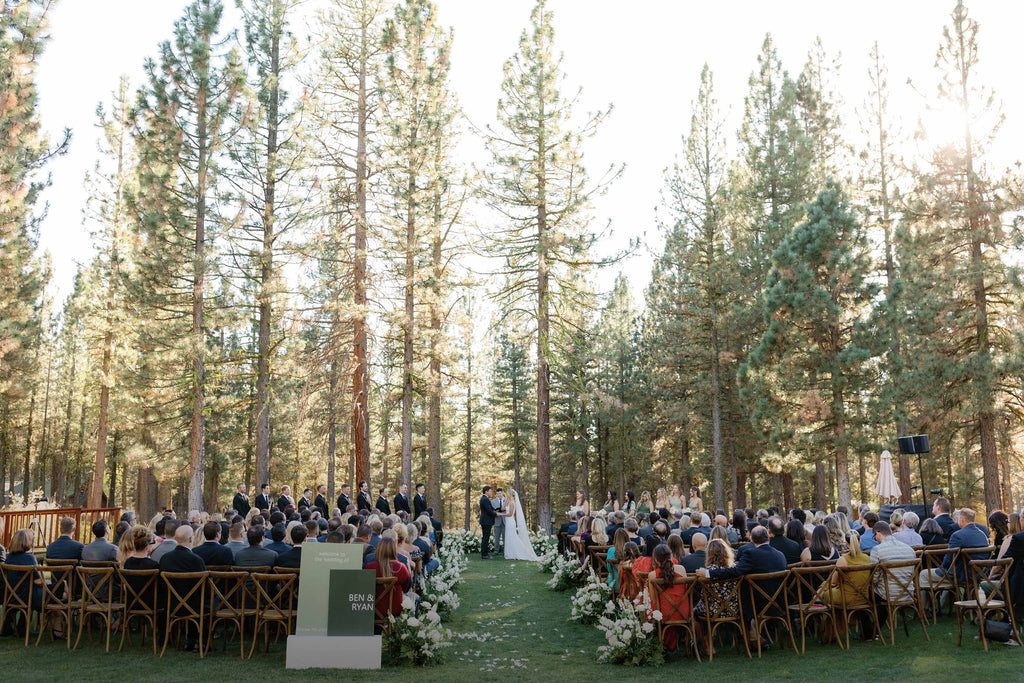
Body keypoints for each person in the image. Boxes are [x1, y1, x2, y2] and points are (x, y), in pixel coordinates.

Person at [919, 508, 989, 590]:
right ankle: (947, 599)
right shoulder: (982, 535)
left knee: (923, 574)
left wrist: (941, 568)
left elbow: (948, 560)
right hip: (979, 574)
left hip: (961, 575)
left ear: (962, 520)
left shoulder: (957, 535)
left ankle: (928, 602)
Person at [649, 544, 690, 650]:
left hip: (664, 614)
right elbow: (685, 590)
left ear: (656, 560)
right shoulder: (681, 569)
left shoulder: (652, 575)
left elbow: (654, 598)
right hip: (684, 613)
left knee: (650, 608)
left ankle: (658, 643)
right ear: (671, 556)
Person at [366, 537, 412, 622]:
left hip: (373, 609)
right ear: (394, 550)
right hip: (395, 609)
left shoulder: (369, 567)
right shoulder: (401, 568)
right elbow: (406, 589)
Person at [502, 488, 540, 561]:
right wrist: (505, 501)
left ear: (510, 494)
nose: (506, 494)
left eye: (507, 493)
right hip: (508, 522)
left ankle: (519, 552)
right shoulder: (508, 501)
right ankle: (510, 553)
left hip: (511, 521)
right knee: (509, 537)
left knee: (513, 537)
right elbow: (502, 508)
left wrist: (500, 514)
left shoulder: (512, 502)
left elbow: (510, 514)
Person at [479, 486, 497, 560]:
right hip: (486, 521)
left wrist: (495, 510)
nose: (491, 492)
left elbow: (490, 508)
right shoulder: (485, 499)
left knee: (485, 537)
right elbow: (489, 511)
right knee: (486, 538)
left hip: (486, 521)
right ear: (486, 491)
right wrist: (496, 514)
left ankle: (485, 553)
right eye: (490, 491)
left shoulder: (485, 499)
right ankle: (484, 554)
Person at [492, 488, 508, 555]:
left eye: (500, 493)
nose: (499, 495)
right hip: (497, 521)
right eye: (498, 493)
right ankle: (496, 550)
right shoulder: (493, 501)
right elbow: (491, 511)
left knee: (505, 537)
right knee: (497, 537)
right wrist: (495, 512)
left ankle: (506, 551)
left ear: (502, 492)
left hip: (505, 521)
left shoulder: (507, 500)